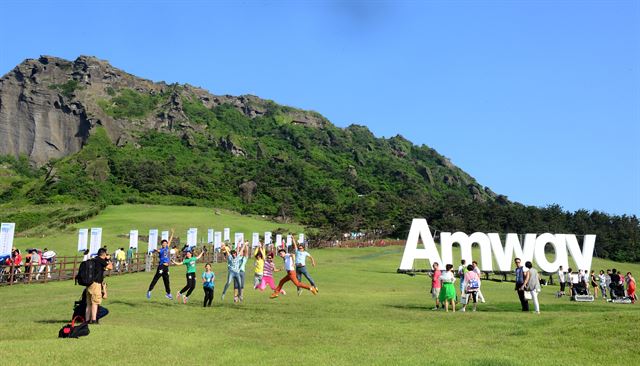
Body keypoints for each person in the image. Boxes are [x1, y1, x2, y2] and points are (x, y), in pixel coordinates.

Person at [85, 248, 113, 324]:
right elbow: (110, 267)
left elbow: (102, 269)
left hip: (89, 284)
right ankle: (93, 320)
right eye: (106, 254)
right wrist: (109, 259)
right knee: (95, 302)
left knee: (89, 304)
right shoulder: (101, 261)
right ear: (104, 254)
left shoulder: (93, 259)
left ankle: (87, 320)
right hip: (96, 284)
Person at [146, 229, 175, 300]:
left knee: (167, 281)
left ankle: (168, 293)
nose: (165, 244)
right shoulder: (161, 250)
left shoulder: (167, 247)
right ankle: (149, 290)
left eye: (166, 243)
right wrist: (154, 250)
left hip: (166, 267)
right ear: (162, 244)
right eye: (163, 243)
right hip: (161, 267)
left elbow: (170, 240)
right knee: (156, 278)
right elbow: (157, 250)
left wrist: (172, 233)